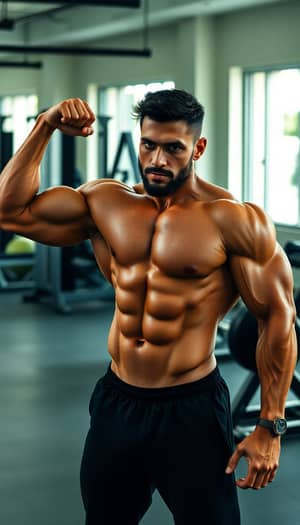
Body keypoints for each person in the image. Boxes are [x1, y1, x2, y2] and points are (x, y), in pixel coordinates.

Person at [0, 90, 297, 525]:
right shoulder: (106, 203)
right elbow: (10, 211)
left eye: (173, 147)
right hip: (117, 402)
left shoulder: (234, 220)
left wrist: (271, 425)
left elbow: (278, 318)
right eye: (148, 144)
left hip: (191, 408)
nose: (158, 159)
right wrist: (44, 125)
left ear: (197, 148)